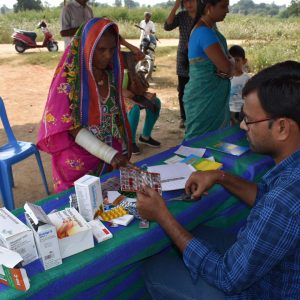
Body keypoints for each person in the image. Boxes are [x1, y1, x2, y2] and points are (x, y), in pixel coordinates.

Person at [137, 60, 300, 299]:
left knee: (154, 268)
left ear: (283, 128)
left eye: (250, 120)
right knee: (198, 231)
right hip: (277, 269)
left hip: (270, 290)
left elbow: (228, 277)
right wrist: (220, 176)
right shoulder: (289, 177)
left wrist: (162, 215)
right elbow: (266, 199)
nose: (243, 126)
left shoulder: (283, 199)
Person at [37, 18, 133, 193]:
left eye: (112, 49)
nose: (108, 55)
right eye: (101, 49)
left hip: (109, 157)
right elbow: (70, 126)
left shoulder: (111, 75)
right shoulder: (68, 81)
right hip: (79, 163)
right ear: (87, 47)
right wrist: (108, 154)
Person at [183, 0, 235, 140]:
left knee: (212, 142)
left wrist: (230, 64)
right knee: (198, 143)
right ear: (208, 8)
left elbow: (227, 68)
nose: (227, 10)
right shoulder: (204, 33)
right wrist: (231, 62)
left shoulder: (209, 30)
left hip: (211, 95)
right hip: (204, 97)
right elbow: (228, 69)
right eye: (223, 6)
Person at [164, 0, 197, 129]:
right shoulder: (182, 16)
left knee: (198, 88)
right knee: (183, 89)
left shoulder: (204, 16)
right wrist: (176, 5)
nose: (189, 4)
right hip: (184, 57)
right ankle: (184, 117)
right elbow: (167, 26)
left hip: (199, 58)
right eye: (185, 1)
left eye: (192, 1)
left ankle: (195, 115)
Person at [122, 69, 161, 155]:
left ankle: (145, 137)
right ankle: (130, 142)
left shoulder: (130, 61)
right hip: (117, 95)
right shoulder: (114, 62)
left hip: (132, 92)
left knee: (155, 102)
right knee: (134, 108)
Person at [229, 45, 250, 125]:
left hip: (242, 111)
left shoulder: (247, 78)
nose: (234, 64)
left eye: (237, 60)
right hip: (229, 110)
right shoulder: (227, 78)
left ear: (244, 61)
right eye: (232, 61)